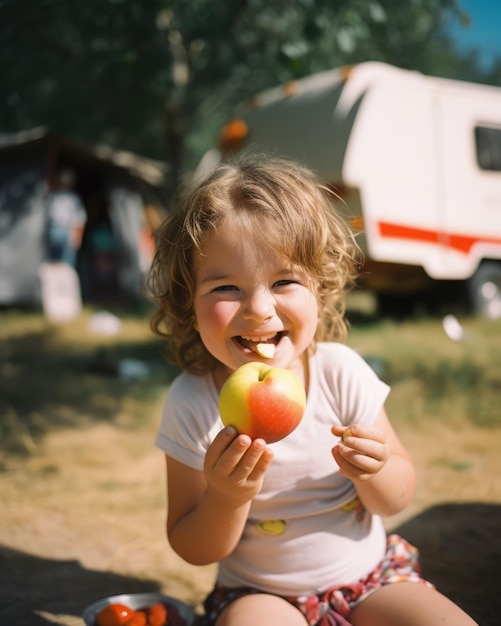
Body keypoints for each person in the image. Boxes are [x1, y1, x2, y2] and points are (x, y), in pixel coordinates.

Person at [148, 156, 478, 626]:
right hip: (261, 593)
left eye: (284, 281)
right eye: (226, 287)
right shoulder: (192, 402)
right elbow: (192, 547)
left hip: (373, 581)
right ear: (188, 301)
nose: (260, 310)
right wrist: (225, 497)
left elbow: (396, 497)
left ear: (320, 290)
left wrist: (375, 470)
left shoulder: (339, 373)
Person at [45, 168, 87, 267]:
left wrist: (77, 235)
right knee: (51, 262)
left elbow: (79, 218)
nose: (65, 183)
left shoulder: (74, 198)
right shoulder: (53, 195)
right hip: (53, 229)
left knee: (67, 264)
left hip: (68, 231)